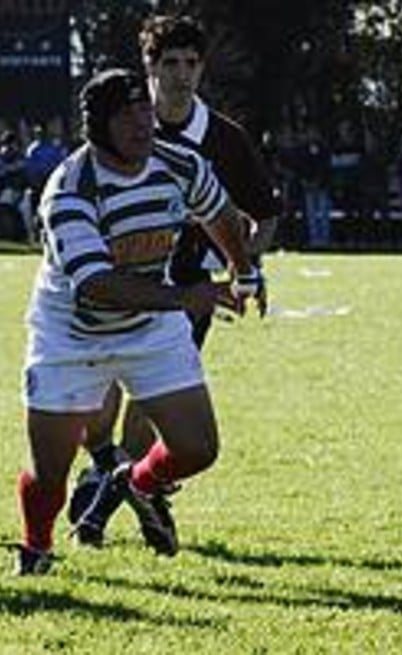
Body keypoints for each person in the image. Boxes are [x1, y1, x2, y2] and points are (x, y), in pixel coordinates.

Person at [15, 68, 263, 574]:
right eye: (125, 114)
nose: (142, 122)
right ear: (97, 128)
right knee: (50, 475)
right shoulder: (70, 189)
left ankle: (138, 484)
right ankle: (37, 548)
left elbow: (221, 214)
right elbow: (96, 285)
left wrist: (243, 268)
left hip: (150, 323)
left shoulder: (179, 163)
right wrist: (185, 296)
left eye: (144, 109)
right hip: (72, 334)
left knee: (197, 449)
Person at [68, 15, 281, 549]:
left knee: (148, 405)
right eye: (170, 64)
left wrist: (244, 265)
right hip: (114, 286)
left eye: (191, 63)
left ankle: (102, 507)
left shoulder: (224, 138)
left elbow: (264, 213)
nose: (181, 74)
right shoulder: (122, 125)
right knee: (96, 408)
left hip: (185, 293)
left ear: (202, 68)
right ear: (149, 68)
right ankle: (107, 472)